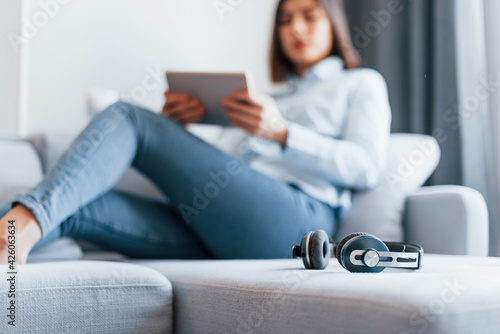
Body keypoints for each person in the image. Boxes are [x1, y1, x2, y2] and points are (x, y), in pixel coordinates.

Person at [0, 0, 391, 264]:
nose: (296, 28)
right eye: (286, 19)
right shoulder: (263, 96)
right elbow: (222, 169)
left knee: (128, 117)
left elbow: (367, 166)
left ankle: (24, 223)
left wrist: (283, 133)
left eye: (309, 15)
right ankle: (14, 240)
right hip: (221, 226)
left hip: (295, 225)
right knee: (68, 208)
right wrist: (176, 128)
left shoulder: (359, 84)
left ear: (334, 22)